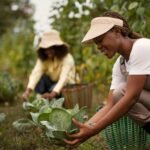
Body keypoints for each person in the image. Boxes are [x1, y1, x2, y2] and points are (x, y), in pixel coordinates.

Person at [64, 11, 150, 146]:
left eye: (100, 40)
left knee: (123, 92)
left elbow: (131, 97)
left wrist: (94, 130)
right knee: (118, 94)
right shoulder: (120, 65)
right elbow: (110, 104)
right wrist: (84, 129)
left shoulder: (141, 47)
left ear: (116, 31)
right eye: (96, 43)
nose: (98, 47)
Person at [22, 29, 78, 101]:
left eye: (51, 48)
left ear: (57, 48)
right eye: (46, 49)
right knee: (40, 79)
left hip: (67, 85)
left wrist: (52, 94)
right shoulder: (44, 59)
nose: (48, 51)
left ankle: (54, 98)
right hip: (52, 83)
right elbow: (36, 73)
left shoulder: (67, 58)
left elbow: (64, 78)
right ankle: (45, 98)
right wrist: (28, 91)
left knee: (56, 89)